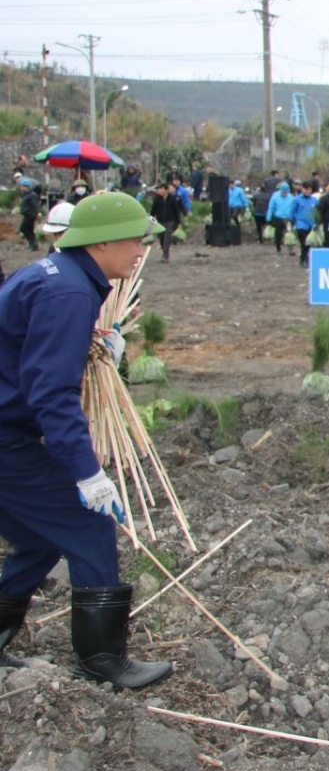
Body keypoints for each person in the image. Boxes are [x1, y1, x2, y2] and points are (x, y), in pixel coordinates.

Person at [0, 193, 172, 689]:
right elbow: (50, 393)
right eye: (136, 240)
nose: (142, 250)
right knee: (89, 526)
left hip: (8, 432)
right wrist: (88, 473)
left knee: (37, 539)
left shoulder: (54, 277)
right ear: (101, 242)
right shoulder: (69, 293)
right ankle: (103, 661)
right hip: (6, 440)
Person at [149, 182, 185, 263]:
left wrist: (178, 222)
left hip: (170, 222)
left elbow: (176, 211)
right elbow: (153, 211)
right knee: (161, 238)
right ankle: (164, 252)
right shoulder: (157, 199)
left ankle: (165, 256)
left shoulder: (172, 199)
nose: (159, 191)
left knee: (167, 239)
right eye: (158, 189)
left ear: (166, 190)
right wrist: (150, 221)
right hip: (160, 221)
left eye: (161, 189)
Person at [291, 182, 319, 267]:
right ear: (302, 189)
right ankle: (304, 259)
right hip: (301, 225)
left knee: (309, 244)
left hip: (312, 226)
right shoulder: (296, 200)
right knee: (304, 243)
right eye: (305, 189)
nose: (307, 191)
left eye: (309, 189)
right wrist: (291, 222)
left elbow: (317, 213)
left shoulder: (314, 200)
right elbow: (292, 212)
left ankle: (304, 259)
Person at [265, 182, 296, 256]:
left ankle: (290, 250)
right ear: (280, 190)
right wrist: (268, 218)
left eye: (286, 192)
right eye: (283, 192)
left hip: (288, 219)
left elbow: (293, 208)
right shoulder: (275, 197)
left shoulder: (291, 197)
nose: (284, 193)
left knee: (290, 234)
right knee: (278, 234)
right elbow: (271, 208)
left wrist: (294, 217)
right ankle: (278, 249)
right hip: (278, 218)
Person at [18, 183, 42, 251]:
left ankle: (33, 244)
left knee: (24, 228)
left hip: (30, 215)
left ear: (26, 187)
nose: (21, 188)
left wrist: (38, 213)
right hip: (27, 214)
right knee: (29, 230)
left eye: (22, 186)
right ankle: (33, 244)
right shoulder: (26, 194)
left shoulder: (32, 195)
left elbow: (35, 204)